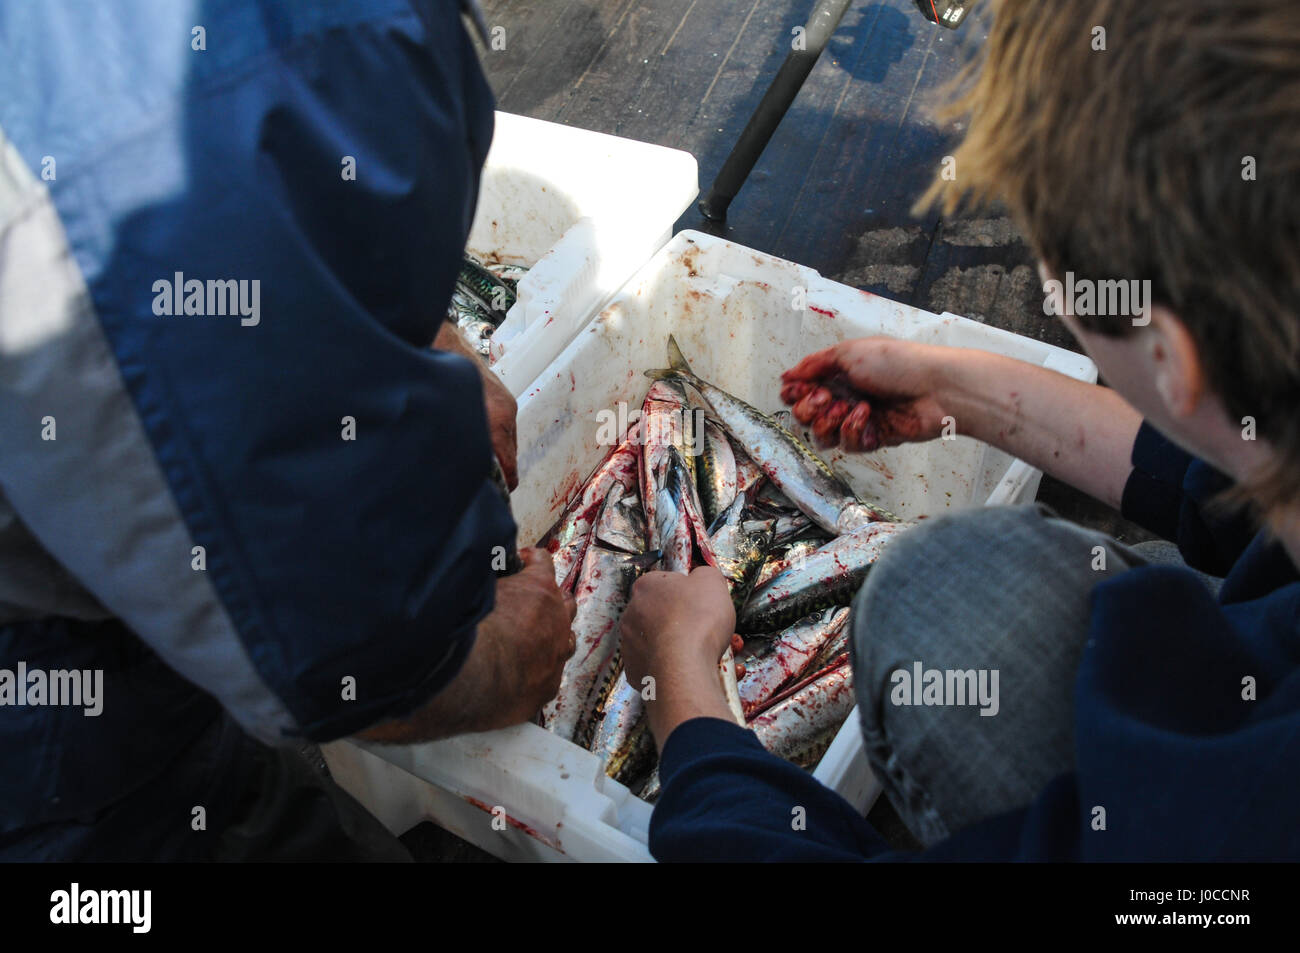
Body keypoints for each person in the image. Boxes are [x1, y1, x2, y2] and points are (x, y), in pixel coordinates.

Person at [621, 0, 1300, 861]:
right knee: (944, 588)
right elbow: (1232, 468)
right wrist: (958, 391)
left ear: (1173, 357)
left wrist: (681, 686)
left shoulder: (1222, 837)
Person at [0, 0, 574, 860]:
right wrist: (496, 660)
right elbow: (317, 647)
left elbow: (260, 239)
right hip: (57, 753)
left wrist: (409, 336)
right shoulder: (118, 175)